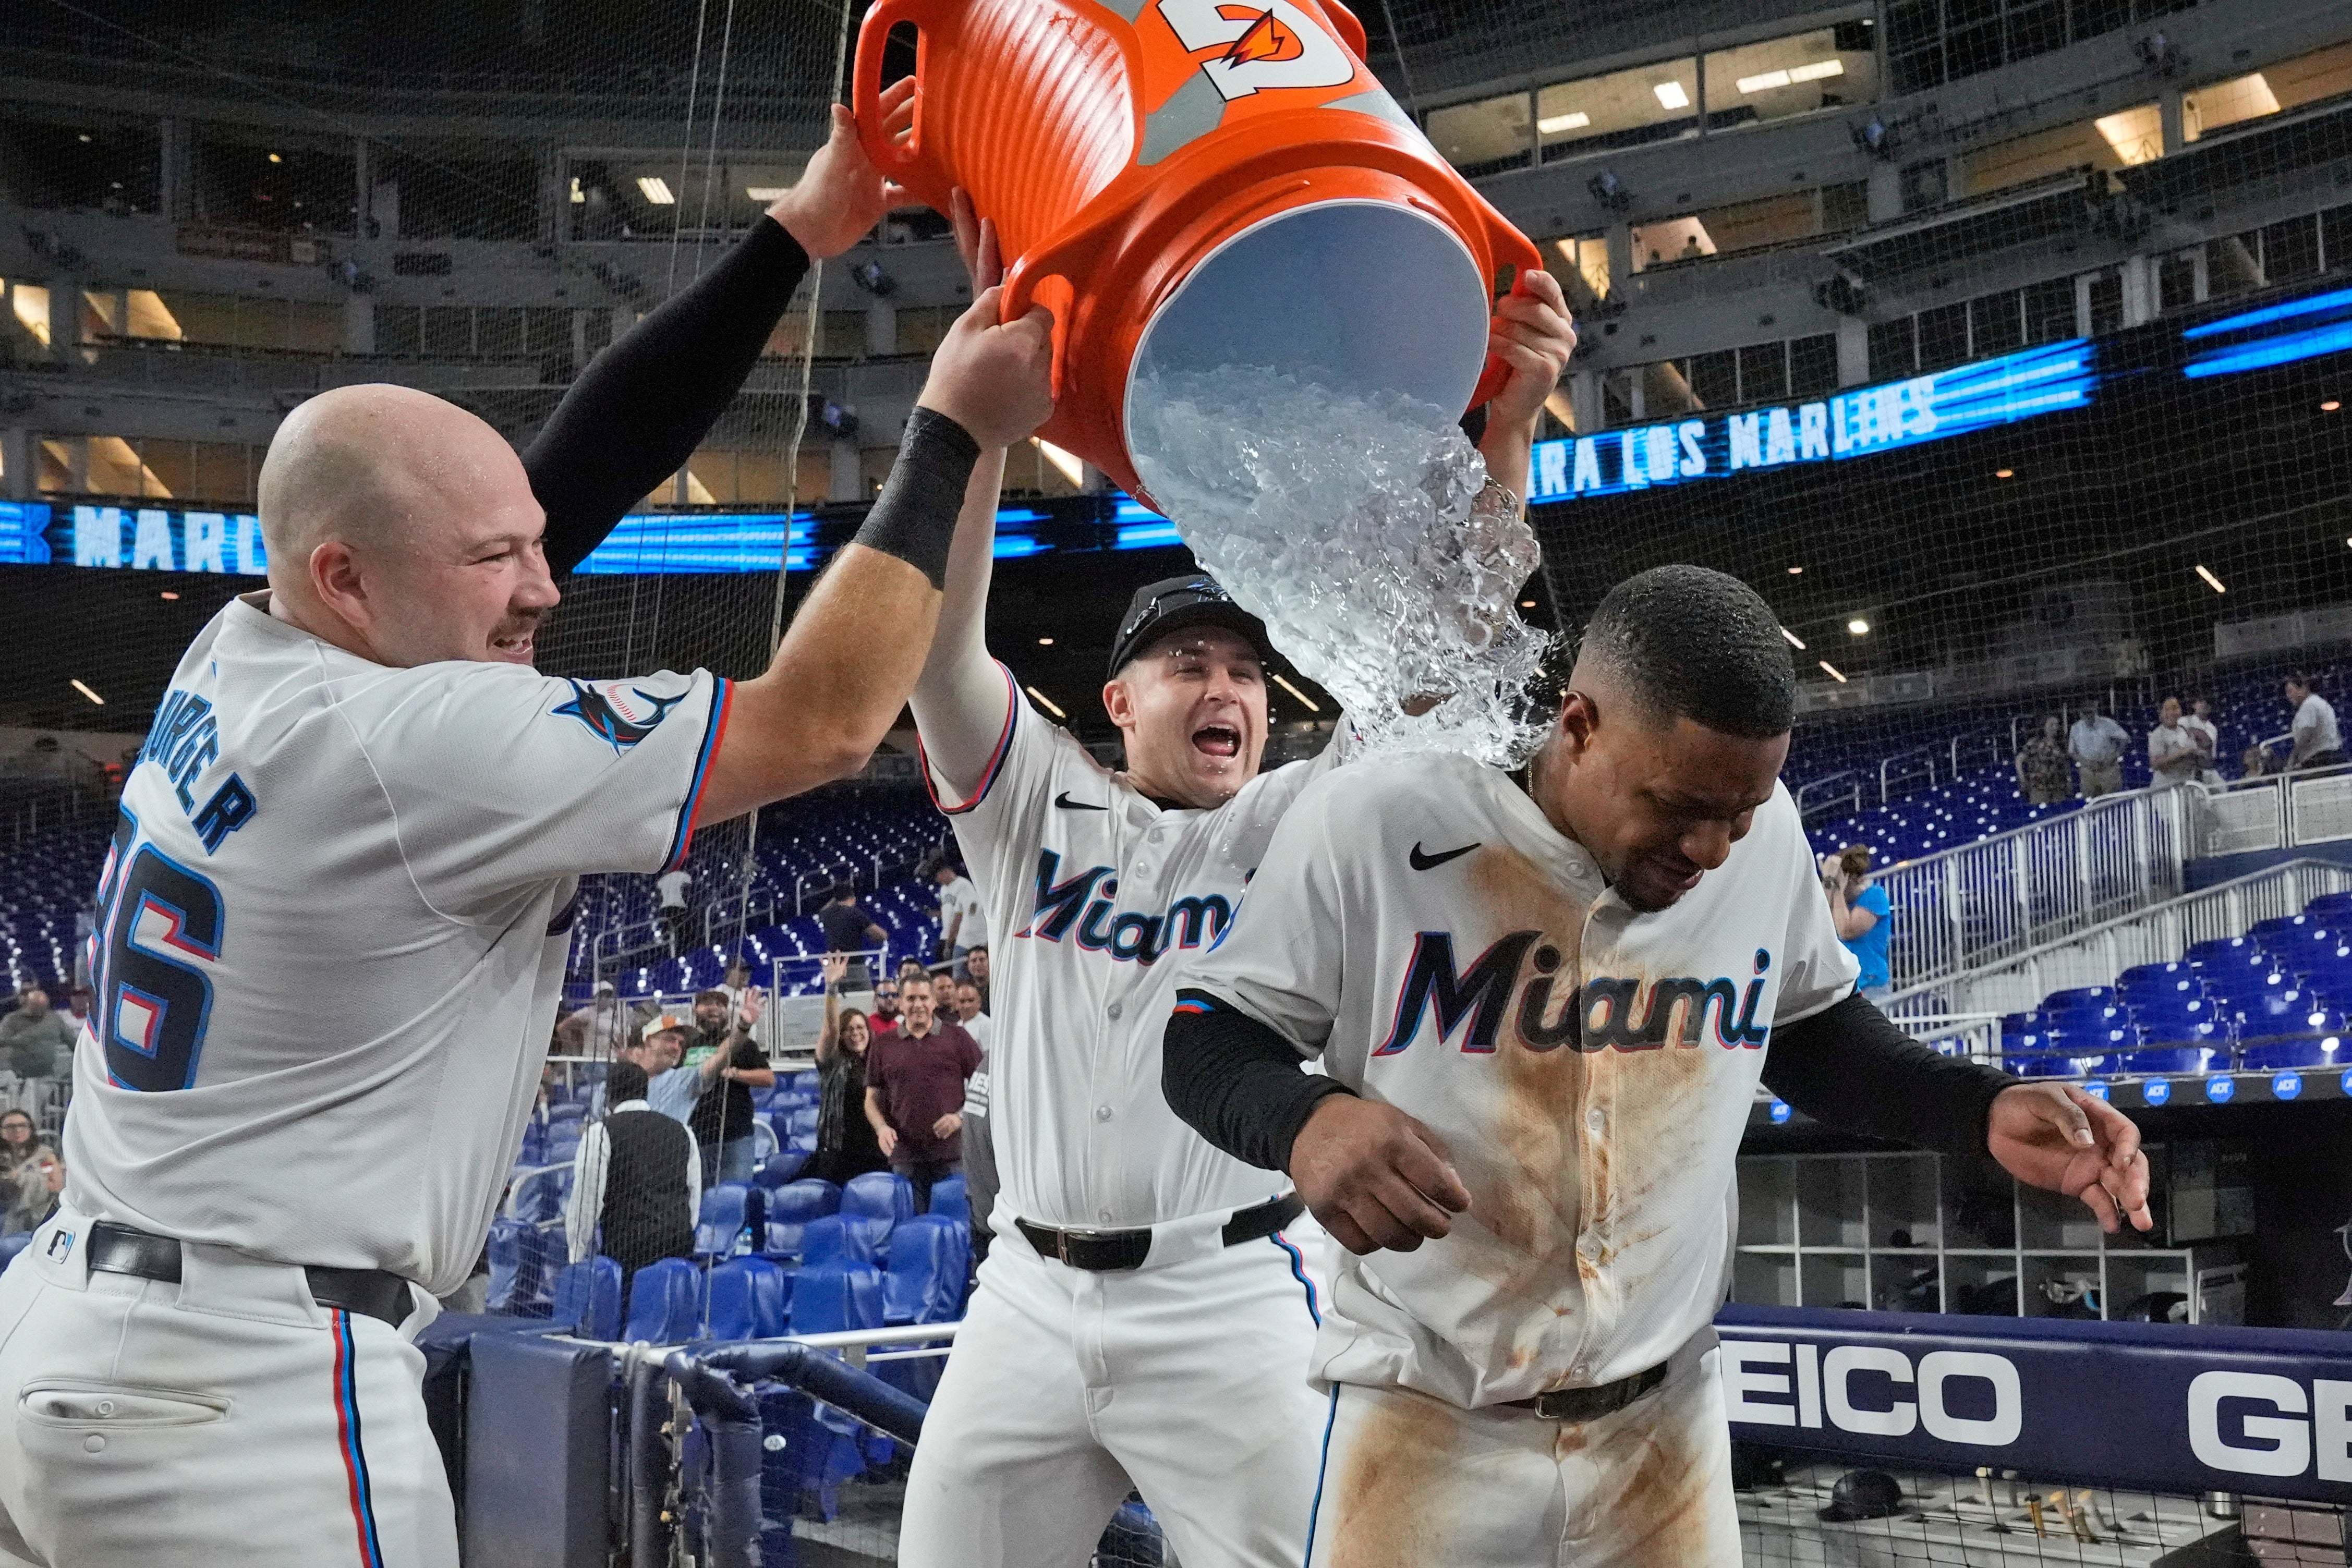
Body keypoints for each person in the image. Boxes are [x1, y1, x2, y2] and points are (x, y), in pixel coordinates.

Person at [0, 78, 1059, 1566]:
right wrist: (948, 425)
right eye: (495, 559)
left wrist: (800, 231)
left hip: (74, 1330)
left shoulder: (246, 645)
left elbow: (570, 473)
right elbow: (822, 720)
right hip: (237, 1401)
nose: (545, 583)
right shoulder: (412, 734)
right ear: (350, 577)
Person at [1160, 563, 2152, 1568]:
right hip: (1431, 1420)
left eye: (1743, 811)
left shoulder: (1763, 844)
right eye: (1681, 805)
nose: (1714, 847)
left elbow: (1806, 1027)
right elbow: (1204, 1031)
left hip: (1664, 1429)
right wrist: (1303, 1117)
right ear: (1579, 725)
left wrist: (1972, 1106)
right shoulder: (1380, 819)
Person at [891, 186, 1575, 1567]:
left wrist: (1502, 430)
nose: (1231, 688)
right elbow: (933, 644)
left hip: (1227, 1289)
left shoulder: (1297, 819)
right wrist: (966, 428)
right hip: (1021, 1290)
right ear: (1116, 699)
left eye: (1250, 671)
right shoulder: (1033, 797)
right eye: (1192, 664)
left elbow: (1453, 686)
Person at [564, 1060, 701, 1298]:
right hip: (678, 1249)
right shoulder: (683, 1131)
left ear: (608, 1096)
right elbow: (694, 1197)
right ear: (645, 1091)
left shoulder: (600, 1132)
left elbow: (587, 1199)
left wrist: (577, 1254)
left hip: (626, 1252)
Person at [863, 971, 981, 1211]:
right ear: (901, 1003)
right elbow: (870, 1100)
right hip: (904, 1158)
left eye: (924, 998)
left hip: (952, 1155)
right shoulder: (883, 1044)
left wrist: (959, 1118)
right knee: (912, 1236)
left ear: (934, 1002)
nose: (918, 1005)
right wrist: (881, 1128)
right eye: (911, 998)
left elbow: (984, 1088)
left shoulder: (958, 1038)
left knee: (955, 1232)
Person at [811, 953, 891, 1186]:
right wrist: (832, 987)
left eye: (860, 1027)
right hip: (838, 1153)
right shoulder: (832, 1062)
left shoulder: (878, 1063)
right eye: (849, 1029)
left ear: (869, 1030)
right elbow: (831, 1031)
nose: (856, 1033)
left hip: (875, 1151)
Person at [684, 988, 773, 1185]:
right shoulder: (685, 1046)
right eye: (707, 1003)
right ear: (695, 1010)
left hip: (736, 1137)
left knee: (735, 1196)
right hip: (695, 1136)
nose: (714, 1009)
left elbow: (768, 1078)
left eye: (721, 1005)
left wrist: (733, 1073)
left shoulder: (744, 1044)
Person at [1824, 843, 1893, 1002]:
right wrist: (1829, 880)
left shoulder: (1874, 895)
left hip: (1870, 984)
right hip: (1843, 987)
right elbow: (1818, 914)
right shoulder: (1840, 904)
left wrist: (1838, 890)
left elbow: (1846, 931)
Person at [0, 984, 75, 1084]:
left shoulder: (54, 1019)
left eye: (42, 1009)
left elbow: (73, 1043)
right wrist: (23, 1040)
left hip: (48, 1076)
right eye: (35, 1008)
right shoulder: (11, 1020)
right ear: (27, 1004)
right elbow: (2, 1041)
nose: (39, 1013)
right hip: (17, 1076)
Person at [819, 883, 889, 986]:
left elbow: (824, 909)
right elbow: (882, 935)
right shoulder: (855, 913)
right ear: (853, 899)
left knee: (836, 997)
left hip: (836, 966)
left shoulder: (827, 915)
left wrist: (837, 897)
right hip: (855, 965)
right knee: (865, 998)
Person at [2068, 701, 2130, 798]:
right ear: (2080, 714)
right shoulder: (2075, 728)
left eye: (2090, 712)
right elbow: (2072, 752)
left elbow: (2125, 739)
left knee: (2112, 801)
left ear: (2095, 711)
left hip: (2108, 769)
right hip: (2088, 772)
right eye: (2085, 713)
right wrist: (2086, 762)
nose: (2088, 716)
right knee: (2090, 803)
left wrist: (2115, 755)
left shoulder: (2107, 724)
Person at [2287, 672, 2346, 770]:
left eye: (2290, 691)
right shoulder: (2319, 702)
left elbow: (2305, 735)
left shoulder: (2309, 706)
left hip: (2321, 759)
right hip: (2333, 755)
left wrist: (2292, 760)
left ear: (2303, 688)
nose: (2288, 696)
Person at [934, 859, 988, 965]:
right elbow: (947, 910)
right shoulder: (943, 889)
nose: (938, 880)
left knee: (960, 968)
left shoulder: (963, 885)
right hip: (947, 935)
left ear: (945, 872)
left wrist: (956, 933)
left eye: (938, 876)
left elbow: (968, 911)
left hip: (962, 936)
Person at [2015, 714, 2072, 806]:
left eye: (2057, 725)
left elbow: (2065, 765)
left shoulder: (2061, 744)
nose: (2055, 727)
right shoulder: (2035, 743)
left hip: (2058, 788)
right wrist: (2022, 778)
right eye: (2051, 725)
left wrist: (2069, 781)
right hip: (2039, 788)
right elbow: (2019, 760)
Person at [2148, 697, 2203, 789]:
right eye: (2167, 710)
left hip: (2187, 785)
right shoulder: (2157, 735)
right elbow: (2156, 764)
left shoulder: (2186, 731)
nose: (2172, 713)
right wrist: (2181, 754)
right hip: (2165, 790)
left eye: (2175, 708)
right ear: (2161, 713)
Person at [2182, 697, 2224, 786]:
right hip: (2189, 771)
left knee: (2222, 789)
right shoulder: (2184, 721)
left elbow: (2208, 747)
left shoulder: (2212, 728)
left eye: (2207, 704)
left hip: (2207, 769)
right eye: (2200, 702)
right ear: (2194, 705)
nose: (2204, 705)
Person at [657, 865, 696, 952]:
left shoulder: (663, 880)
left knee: (668, 931)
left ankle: (669, 951)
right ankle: (681, 950)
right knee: (681, 931)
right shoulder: (685, 876)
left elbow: (659, 894)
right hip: (679, 906)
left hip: (665, 908)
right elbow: (688, 892)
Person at [955, 943, 991, 1013]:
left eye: (982, 960)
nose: (978, 964)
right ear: (968, 965)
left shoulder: (998, 986)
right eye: (974, 961)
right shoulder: (963, 989)